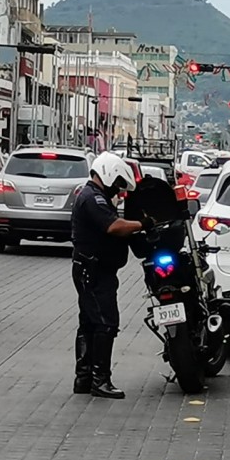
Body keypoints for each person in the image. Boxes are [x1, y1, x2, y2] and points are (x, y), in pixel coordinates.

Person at [71, 152, 155, 399]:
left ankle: (84, 378)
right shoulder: (92, 198)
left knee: (89, 322)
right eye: (118, 184)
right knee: (105, 323)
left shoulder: (94, 196)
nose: (118, 190)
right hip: (94, 271)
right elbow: (113, 226)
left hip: (93, 269)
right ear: (107, 173)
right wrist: (143, 224)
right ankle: (100, 380)